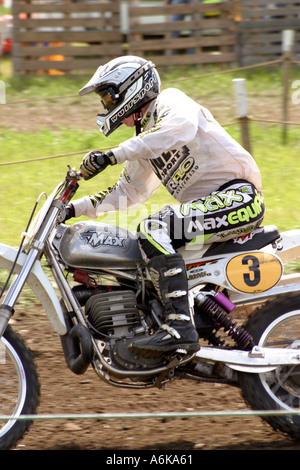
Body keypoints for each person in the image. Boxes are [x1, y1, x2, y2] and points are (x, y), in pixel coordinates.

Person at [64, 55, 265, 358]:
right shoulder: (147, 140)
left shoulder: (171, 103)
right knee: (146, 250)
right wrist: (72, 209)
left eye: (108, 97)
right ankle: (165, 322)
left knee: (154, 227)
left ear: (132, 89)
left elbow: (178, 129)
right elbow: (128, 192)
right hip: (213, 208)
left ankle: (180, 329)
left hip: (240, 199)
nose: (106, 106)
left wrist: (112, 155)